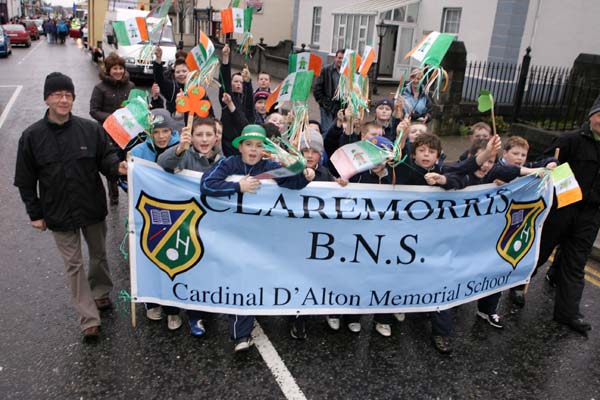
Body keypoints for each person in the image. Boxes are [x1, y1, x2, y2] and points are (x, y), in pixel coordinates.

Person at [14, 72, 127, 342]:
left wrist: (118, 168)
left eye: (68, 95)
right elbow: (25, 180)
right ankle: (88, 319)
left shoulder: (90, 129)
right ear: (46, 99)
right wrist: (35, 213)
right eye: (58, 95)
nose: (64, 100)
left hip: (91, 206)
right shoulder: (31, 137)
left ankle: (100, 293)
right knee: (74, 265)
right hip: (58, 211)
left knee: (98, 255)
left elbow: (106, 160)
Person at [200, 125, 315, 351]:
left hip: (266, 236)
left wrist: (305, 175)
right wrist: (237, 186)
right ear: (240, 147)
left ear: (265, 150)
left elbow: (293, 185)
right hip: (235, 236)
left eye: (259, 145)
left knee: (276, 275)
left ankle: (286, 317)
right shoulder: (228, 164)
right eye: (249, 145)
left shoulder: (271, 166)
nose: (253, 150)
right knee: (242, 279)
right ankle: (241, 334)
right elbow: (206, 185)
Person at [524, 96, 600, 335]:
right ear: (591, 116)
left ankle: (568, 314)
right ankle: (517, 285)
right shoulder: (570, 140)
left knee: (575, 263)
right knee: (541, 251)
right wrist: (551, 164)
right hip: (562, 207)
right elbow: (544, 164)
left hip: (590, 215)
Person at [157, 117, 221, 337]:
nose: (204, 140)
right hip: (187, 225)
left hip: (213, 227)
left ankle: (203, 310)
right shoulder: (184, 156)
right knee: (190, 270)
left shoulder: (223, 160)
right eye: (199, 135)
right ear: (191, 137)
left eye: (208, 135)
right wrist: (178, 149)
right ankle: (191, 316)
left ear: (216, 137)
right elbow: (162, 163)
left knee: (208, 270)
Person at [89, 52, 135, 205]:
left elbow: (136, 106)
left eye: (121, 68)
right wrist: (112, 118)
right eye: (114, 68)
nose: (118, 72)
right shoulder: (100, 88)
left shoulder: (130, 86)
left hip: (128, 133)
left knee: (129, 162)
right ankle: (113, 194)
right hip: (108, 134)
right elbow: (94, 111)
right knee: (112, 164)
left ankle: (131, 191)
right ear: (108, 70)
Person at [314, 49, 344, 133]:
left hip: (341, 107)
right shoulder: (325, 70)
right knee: (327, 130)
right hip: (327, 106)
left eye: (343, 59)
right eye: (339, 58)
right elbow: (317, 89)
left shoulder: (348, 73)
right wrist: (324, 103)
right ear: (335, 58)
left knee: (338, 130)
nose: (341, 60)